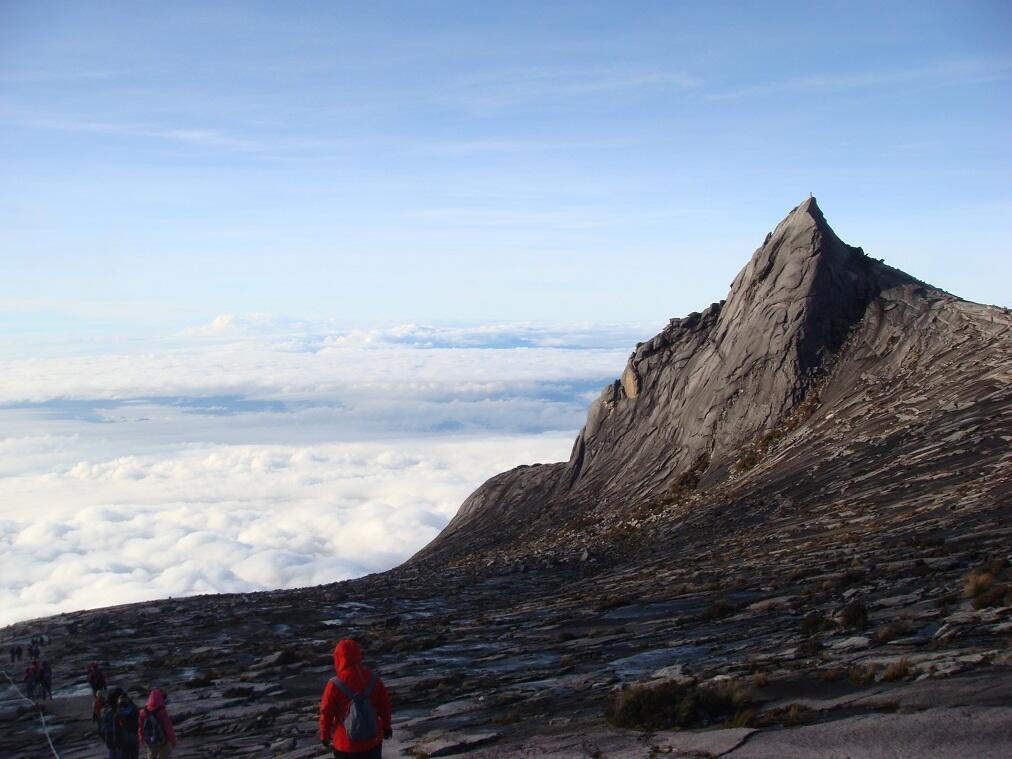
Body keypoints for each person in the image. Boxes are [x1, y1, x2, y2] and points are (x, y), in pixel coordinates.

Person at [319, 639, 392, 759]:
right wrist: (387, 727)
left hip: (345, 743)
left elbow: (326, 712)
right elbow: (385, 706)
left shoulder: (334, 684)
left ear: (338, 657)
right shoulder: (374, 679)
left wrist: (324, 735)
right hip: (372, 739)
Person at [137, 688, 176, 758]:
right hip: (162, 740)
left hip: (150, 741)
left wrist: (141, 739)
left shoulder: (142, 712)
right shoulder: (162, 712)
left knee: (151, 756)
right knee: (164, 754)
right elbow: (168, 728)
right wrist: (173, 740)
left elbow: (140, 727)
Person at [117, 691, 141, 759]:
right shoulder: (133, 709)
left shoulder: (119, 711)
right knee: (134, 754)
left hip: (123, 736)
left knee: (125, 755)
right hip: (133, 735)